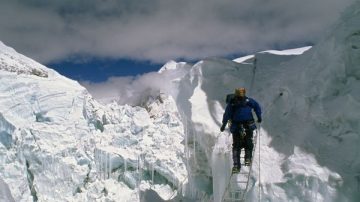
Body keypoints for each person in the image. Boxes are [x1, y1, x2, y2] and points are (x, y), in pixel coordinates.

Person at [220, 87, 262, 173]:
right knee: (247, 142)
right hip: (247, 125)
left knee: (237, 146)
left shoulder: (232, 104)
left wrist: (224, 125)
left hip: (237, 126)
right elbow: (257, 107)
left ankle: (237, 165)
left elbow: (227, 115)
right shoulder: (248, 101)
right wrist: (259, 117)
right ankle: (247, 159)